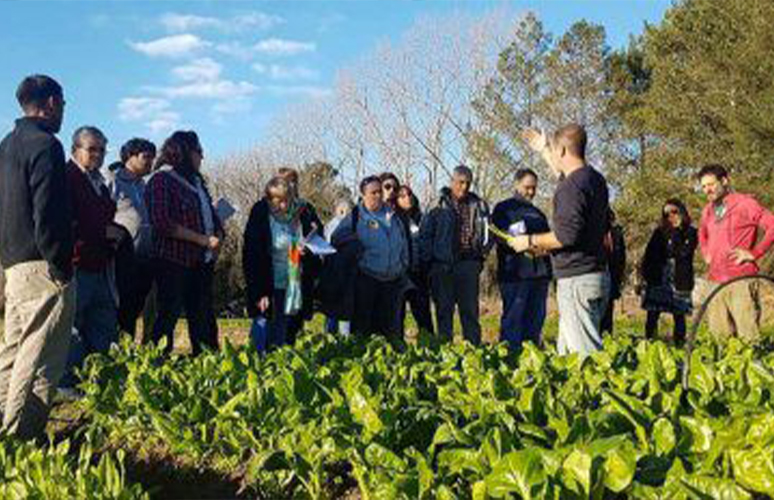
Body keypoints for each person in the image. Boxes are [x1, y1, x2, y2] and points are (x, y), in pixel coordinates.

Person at [0, 75, 75, 439]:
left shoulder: (7, 145)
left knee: (11, 352)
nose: (62, 111)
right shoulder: (46, 144)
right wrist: (60, 266)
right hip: (42, 267)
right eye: (62, 103)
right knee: (40, 357)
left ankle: (3, 424)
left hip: (12, 265)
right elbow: (49, 213)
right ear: (48, 103)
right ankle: (20, 439)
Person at [512, 124, 610, 356]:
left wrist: (528, 241)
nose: (553, 155)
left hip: (577, 281)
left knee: (586, 359)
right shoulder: (594, 180)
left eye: (555, 150)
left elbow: (566, 235)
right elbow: (562, 173)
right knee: (567, 356)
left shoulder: (571, 187)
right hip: (595, 275)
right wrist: (544, 149)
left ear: (564, 151)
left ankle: (600, 392)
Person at [145, 131, 223, 355]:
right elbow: (162, 223)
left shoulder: (197, 181)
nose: (202, 157)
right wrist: (203, 240)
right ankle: (155, 368)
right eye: (199, 152)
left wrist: (218, 235)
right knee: (166, 318)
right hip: (173, 261)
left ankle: (207, 365)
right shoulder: (162, 179)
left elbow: (211, 215)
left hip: (202, 262)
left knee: (204, 319)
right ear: (183, 152)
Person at [60, 126, 123, 390]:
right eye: (92, 149)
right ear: (76, 149)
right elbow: (64, 222)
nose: (97, 154)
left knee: (103, 321)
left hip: (100, 264)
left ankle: (102, 380)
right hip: (76, 263)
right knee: (72, 326)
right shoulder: (66, 177)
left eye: (101, 150)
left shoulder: (99, 181)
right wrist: (103, 231)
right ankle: (67, 383)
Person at [697, 164, 774, 342]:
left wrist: (754, 253)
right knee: (719, 339)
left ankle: (754, 369)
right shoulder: (708, 210)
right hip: (715, 283)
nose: (707, 190)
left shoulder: (745, 204)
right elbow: (702, 233)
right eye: (703, 186)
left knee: (748, 338)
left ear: (724, 181)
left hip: (741, 280)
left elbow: (772, 225)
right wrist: (706, 252)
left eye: (711, 184)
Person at [243, 177, 321, 349]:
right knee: (264, 330)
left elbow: (313, 240)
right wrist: (259, 292)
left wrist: (304, 250)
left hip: (292, 284)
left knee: (285, 334)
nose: (284, 206)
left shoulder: (301, 213)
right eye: (278, 201)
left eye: (288, 200)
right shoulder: (260, 214)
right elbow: (252, 256)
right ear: (269, 199)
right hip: (269, 284)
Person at [419, 165, 491, 345]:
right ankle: (445, 357)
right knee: (444, 313)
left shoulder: (479, 204)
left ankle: (474, 353)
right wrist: (430, 263)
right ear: (452, 181)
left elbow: (489, 235)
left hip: (469, 265)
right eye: (460, 182)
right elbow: (425, 234)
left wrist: (480, 258)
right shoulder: (437, 203)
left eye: (468, 183)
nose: (464, 187)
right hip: (442, 266)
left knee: (470, 313)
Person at [332, 176, 408, 338]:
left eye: (380, 192)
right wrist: (354, 244)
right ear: (363, 195)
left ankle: (390, 361)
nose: (378, 196)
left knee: (391, 331)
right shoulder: (355, 216)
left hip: (393, 282)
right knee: (364, 329)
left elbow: (403, 241)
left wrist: (403, 265)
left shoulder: (393, 214)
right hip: (367, 279)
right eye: (373, 192)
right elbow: (336, 238)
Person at [491, 168, 552, 348]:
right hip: (515, 276)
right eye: (527, 187)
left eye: (534, 188)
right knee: (513, 321)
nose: (531, 192)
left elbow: (548, 240)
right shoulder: (503, 209)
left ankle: (531, 360)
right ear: (517, 185)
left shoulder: (538, 214)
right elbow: (498, 237)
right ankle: (510, 361)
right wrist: (519, 244)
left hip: (539, 275)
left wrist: (542, 249)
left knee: (535, 322)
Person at [106, 138, 157, 340]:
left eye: (153, 158)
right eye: (146, 157)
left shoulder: (143, 185)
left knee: (135, 308)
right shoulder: (112, 181)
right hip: (122, 259)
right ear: (130, 157)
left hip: (145, 258)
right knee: (121, 309)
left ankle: (128, 352)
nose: (150, 162)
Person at [640, 199, 697, 343]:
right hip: (659, 276)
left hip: (679, 277)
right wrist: (645, 277)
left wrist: (677, 232)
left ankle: (679, 344)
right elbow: (649, 255)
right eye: (666, 214)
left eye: (674, 212)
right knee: (653, 313)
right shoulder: (659, 232)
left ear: (682, 212)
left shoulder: (690, 232)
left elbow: (684, 253)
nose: (670, 216)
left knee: (679, 314)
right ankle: (650, 343)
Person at [395, 185, 434, 336]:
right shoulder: (394, 220)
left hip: (419, 274)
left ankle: (430, 348)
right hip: (400, 275)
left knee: (423, 315)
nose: (407, 198)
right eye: (402, 196)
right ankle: (398, 351)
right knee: (398, 316)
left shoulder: (423, 218)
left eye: (409, 194)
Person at [323, 198, 354, 335]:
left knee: (340, 310)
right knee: (335, 311)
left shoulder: (352, 225)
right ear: (336, 210)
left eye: (347, 210)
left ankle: (337, 338)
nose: (344, 213)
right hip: (335, 272)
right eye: (341, 210)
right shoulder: (332, 225)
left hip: (343, 273)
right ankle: (335, 337)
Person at [601, 209, 627, 336]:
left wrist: (620, 278)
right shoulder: (594, 233)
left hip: (612, 277)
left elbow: (622, 257)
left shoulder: (616, 234)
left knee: (608, 312)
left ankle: (607, 340)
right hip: (597, 276)